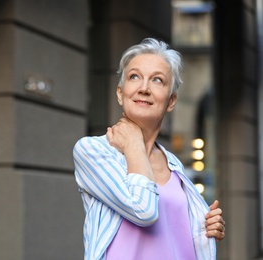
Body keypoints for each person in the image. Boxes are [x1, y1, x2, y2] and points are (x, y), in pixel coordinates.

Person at [73, 38, 225, 260]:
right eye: (134, 77)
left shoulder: (173, 163)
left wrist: (207, 227)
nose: (144, 88)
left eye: (157, 80)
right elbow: (144, 211)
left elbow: (176, 233)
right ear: (120, 93)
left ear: (171, 100)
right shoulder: (92, 151)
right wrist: (134, 144)